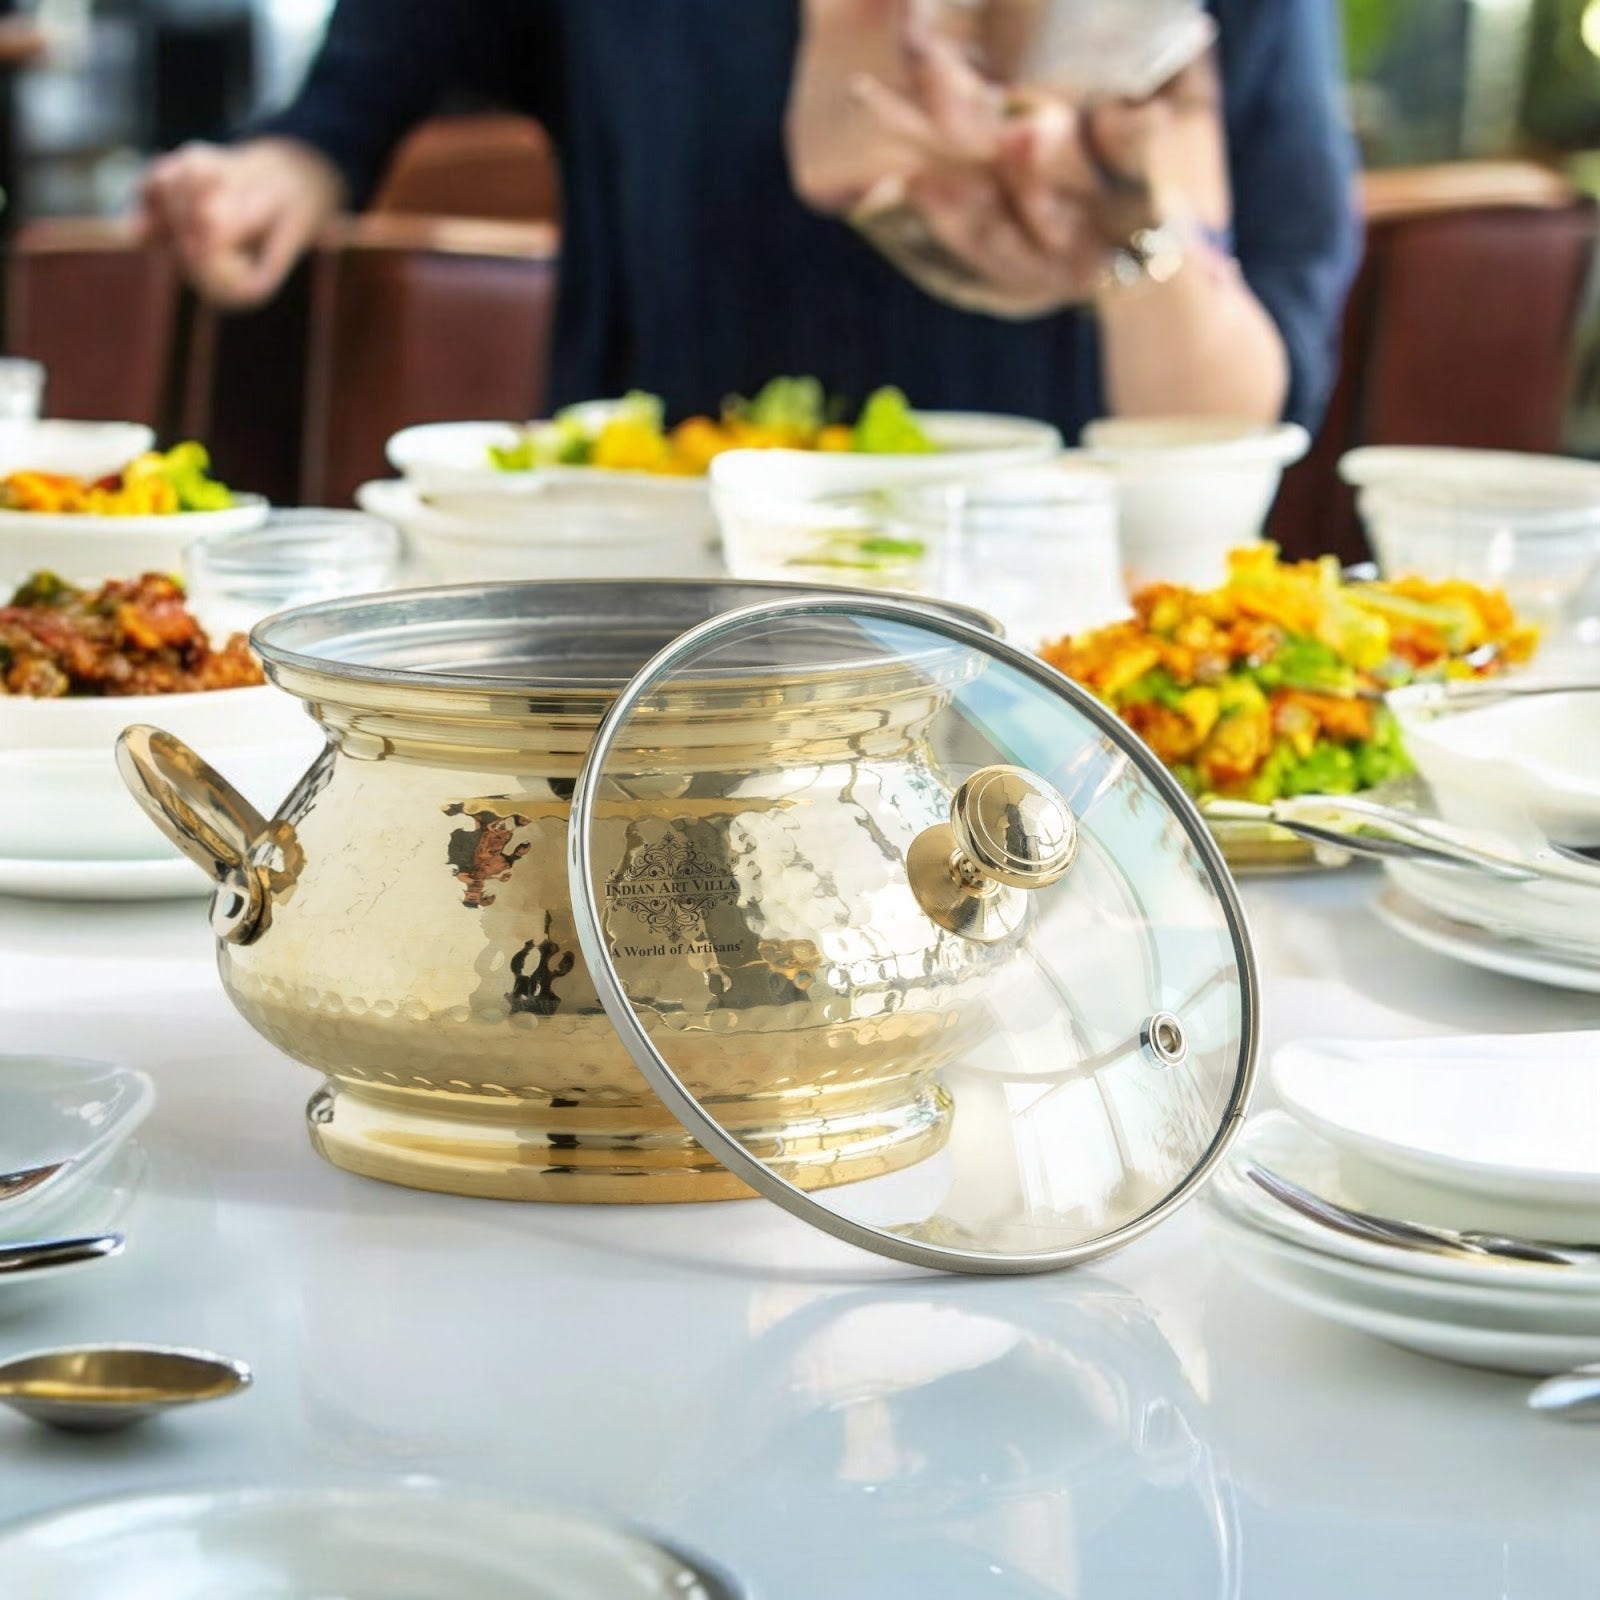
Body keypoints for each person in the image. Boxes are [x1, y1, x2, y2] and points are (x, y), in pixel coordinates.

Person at [138, 1, 1359, 437]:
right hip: (658, 579)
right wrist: (302, 155)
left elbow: (1263, 397)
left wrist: (1128, 233)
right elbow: (393, 54)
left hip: (1040, 636)